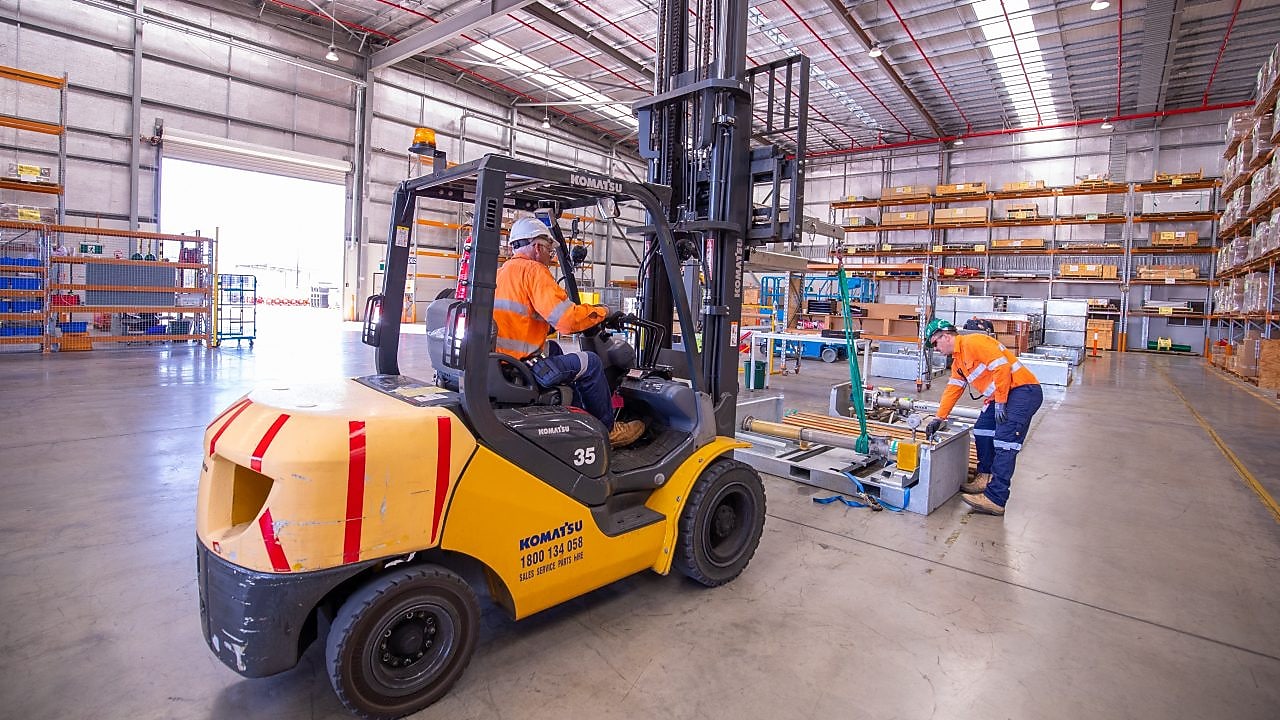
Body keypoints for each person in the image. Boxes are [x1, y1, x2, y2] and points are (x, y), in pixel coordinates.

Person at [494, 216, 645, 448]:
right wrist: (601, 312)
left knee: (554, 348)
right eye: (548, 250)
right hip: (522, 367)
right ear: (537, 247)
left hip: (504, 363)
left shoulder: (503, 272)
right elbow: (566, 320)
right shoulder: (534, 271)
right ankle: (608, 431)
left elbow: (525, 317)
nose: (550, 257)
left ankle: (577, 416)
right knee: (591, 363)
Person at [925, 318, 1042, 516]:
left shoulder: (974, 342)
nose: (935, 349)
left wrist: (1001, 401)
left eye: (935, 343)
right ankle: (985, 476)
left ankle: (996, 498)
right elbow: (953, 389)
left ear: (945, 336)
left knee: (1005, 442)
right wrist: (939, 418)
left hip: (1023, 391)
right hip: (1002, 396)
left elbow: (1002, 368)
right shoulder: (959, 362)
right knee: (982, 429)